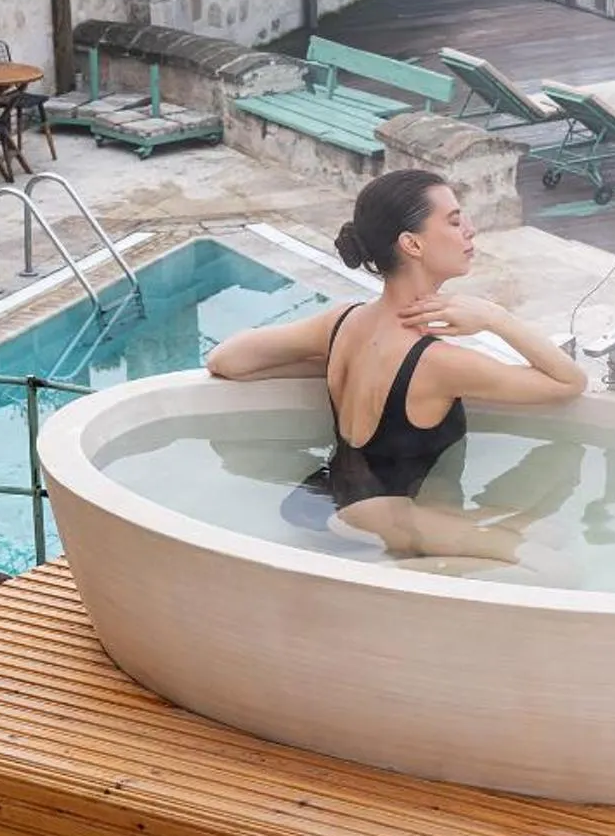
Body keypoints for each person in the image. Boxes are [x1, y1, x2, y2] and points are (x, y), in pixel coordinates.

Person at [206, 169, 586, 562]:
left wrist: (334, 361)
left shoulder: (343, 323)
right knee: (559, 567)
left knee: (549, 533)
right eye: (455, 221)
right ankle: (396, 581)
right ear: (412, 244)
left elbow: (227, 360)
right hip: (384, 519)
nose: (470, 230)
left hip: (331, 500)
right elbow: (568, 382)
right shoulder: (438, 362)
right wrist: (495, 317)